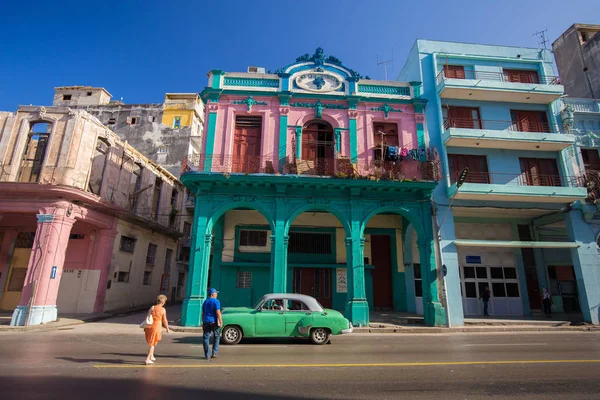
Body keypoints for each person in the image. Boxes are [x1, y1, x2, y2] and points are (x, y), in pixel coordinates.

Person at [144, 294, 169, 365]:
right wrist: (167, 327)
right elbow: (164, 320)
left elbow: (148, 315)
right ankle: (148, 359)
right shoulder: (163, 310)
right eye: (164, 302)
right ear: (162, 302)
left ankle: (151, 356)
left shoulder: (152, 307)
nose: (164, 303)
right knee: (152, 344)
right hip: (156, 326)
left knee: (153, 341)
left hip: (149, 326)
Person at [202, 288, 223, 360]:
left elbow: (203, 313)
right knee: (217, 336)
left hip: (206, 321)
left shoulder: (205, 302)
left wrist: (203, 321)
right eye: (215, 293)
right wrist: (220, 321)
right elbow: (218, 312)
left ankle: (207, 355)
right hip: (214, 321)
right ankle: (214, 352)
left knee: (206, 338)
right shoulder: (216, 301)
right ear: (212, 294)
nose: (216, 295)